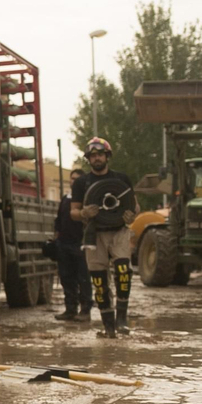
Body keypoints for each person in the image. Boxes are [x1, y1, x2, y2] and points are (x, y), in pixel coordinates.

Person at [72, 137, 136, 337]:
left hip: (119, 231)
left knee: (123, 270)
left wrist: (132, 215)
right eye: (92, 156)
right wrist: (84, 213)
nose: (97, 158)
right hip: (94, 234)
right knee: (99, 281)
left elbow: (134, 205)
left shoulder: (121, 179)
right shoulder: (81, 183)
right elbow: (73, 212)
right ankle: (108, 326)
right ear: (88, 159)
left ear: (107, 156)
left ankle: (122, 320)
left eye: (100, 154)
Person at [53, 169, 91, 322]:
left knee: (83, 279)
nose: (73, 182)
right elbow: (59, 220)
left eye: (77, 179)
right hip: (64, 245)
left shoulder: (87, 199)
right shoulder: (66, 198)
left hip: (80, 244)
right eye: (72, 178)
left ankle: (85, 310)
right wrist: (56, 240)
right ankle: (70, 309)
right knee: (66, 278)